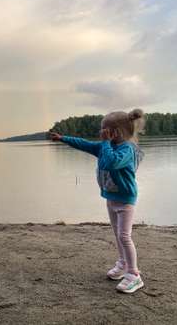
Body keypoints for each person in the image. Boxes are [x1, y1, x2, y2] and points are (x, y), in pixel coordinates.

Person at [49, 109, 146, 293]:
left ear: (115, 132)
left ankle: (134, 275)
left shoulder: (127, 149)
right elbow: (84, 144)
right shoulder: (104, 146)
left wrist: (105, 143)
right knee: (118, 235)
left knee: (125, 236)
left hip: (125, 199)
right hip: (111, 198)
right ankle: (123, 263)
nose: (101, 132)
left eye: (104, 129)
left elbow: (112, 162)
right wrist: (64, 138)